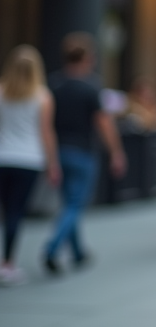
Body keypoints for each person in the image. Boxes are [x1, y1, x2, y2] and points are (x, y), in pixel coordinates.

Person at [44, 33, 127, 273]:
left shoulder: (54, 85)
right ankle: (52, 248)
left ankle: (78, 252)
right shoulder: (90, 88)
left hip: (59, 151)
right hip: (82, 153)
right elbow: (104, 123)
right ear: (88, 59)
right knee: (74, 205)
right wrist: (116, 152)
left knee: (70, 203)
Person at [0, 46, 59, 286]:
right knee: (16, 211)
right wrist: (53, 164)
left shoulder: (2, 92)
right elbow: (46, 133)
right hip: (28, 160)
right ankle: (8, 263)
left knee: (5, 211)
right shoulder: (42, 96)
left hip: (3, 157)